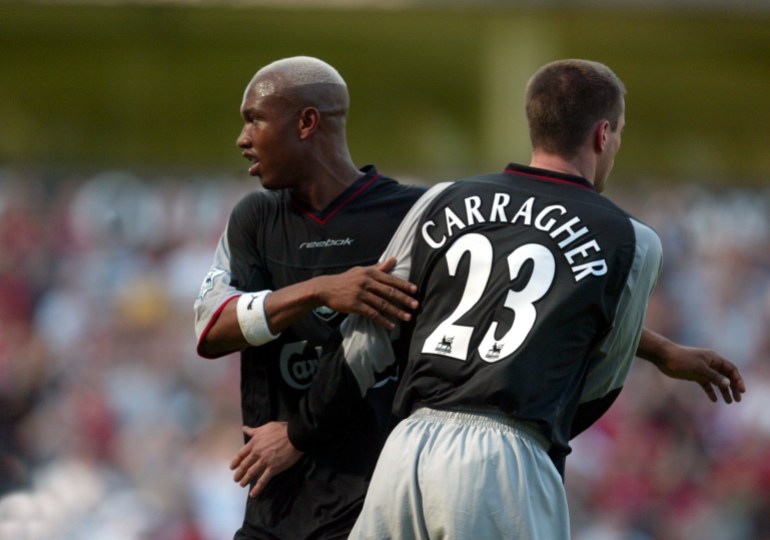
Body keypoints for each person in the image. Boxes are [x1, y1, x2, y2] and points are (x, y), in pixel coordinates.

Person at [194, 56, 745, 539]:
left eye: (253, 120)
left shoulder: (434, 205)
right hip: (473, 459)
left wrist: (660, 350)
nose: (242, 138)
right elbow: (597, 364)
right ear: (604, 134)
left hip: (393, 457)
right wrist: (539, 426)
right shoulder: (631, 238)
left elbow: (388, 334)